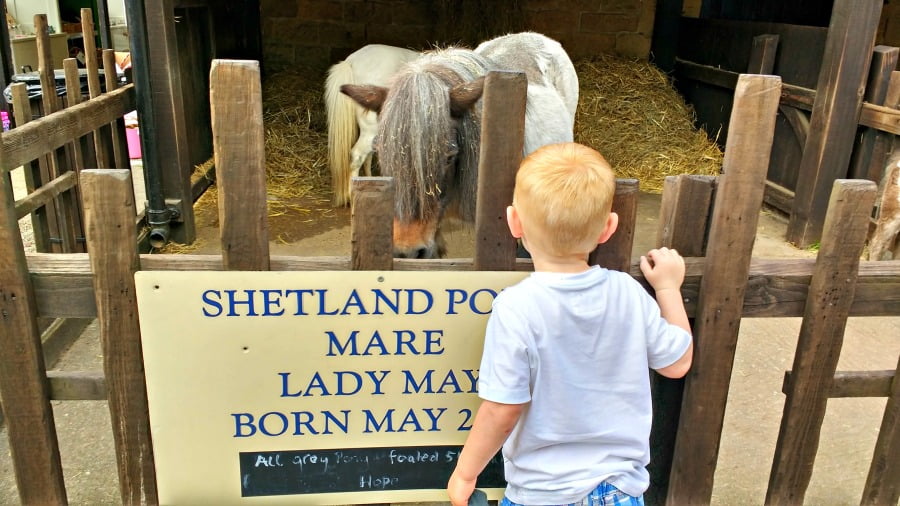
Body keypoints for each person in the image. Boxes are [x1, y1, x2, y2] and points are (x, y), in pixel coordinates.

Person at [447, 142, 693, 506]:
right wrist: (669, 287)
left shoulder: (516, 307)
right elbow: (677, 363)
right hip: (621, 489)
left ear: (514, 222)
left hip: (542, 492)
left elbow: (503, 408)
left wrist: (466, 473)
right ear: (608, 228)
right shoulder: (627, 292)